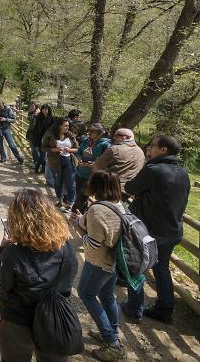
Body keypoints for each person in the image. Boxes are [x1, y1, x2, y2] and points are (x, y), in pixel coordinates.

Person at [0, 188, 78, 362]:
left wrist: (2, 249)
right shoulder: (67, 249)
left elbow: (2, 283)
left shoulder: (13, 253)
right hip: (55, 320)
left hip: (17, 322)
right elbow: (68, 280)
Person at [122, 135, 190, 324]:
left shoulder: (154, 170)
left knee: (135, 266)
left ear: (163, 150)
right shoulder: (183, 172)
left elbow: (130, 187)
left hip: (149, 230)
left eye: (152, 146)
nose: (148, 149)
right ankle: (164, 310)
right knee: (162, 269)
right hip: (172, 230)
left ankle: (134, 308)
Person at [71, 171, 126, 361]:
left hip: (99, 262)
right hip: (114, 261)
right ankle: (112, 332)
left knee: (86, 294)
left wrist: (78, 227)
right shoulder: (119, 205)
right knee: (107, 296)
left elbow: (93, 242)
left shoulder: (96, 209)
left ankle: (112, 343)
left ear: (96, 187)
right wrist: (82, 220)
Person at [42, 118, 78, 213]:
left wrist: (69, 150)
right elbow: (43, 147)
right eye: (65, 125)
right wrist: (53, 149)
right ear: (59, 126)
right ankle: (60, 201)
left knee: (70, 183)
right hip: (55, 162)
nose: (67, 127)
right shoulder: (49, 134)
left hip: (69, 161)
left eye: (68, 125)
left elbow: (77, 148)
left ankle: (69, 204)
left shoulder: (70, 134)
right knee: (58, 182)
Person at [74, 124, 111, 213]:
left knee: (82, 197)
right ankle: (82, 216)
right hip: (79, 173)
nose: (88, 132)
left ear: (99, 133)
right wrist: (79, 159)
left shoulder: (106, 145)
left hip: (92, 176)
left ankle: (75, 214)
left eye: (91, 131)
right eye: (89, 130)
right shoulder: (86, 140)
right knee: (79, 196)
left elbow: (107, 161)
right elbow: (79, 152)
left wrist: (94, 164)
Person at [31, 104, 55, 178]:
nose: (44, 110)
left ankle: (41, 169)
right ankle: (38, 166)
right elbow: (33, 126)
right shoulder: (38, 117)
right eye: (43, 109)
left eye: (46, 109)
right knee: (36, 153)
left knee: (43, 155)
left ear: (48, 110)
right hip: (36, 138)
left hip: (45, 139)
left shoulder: (52, 119)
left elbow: (52, 129)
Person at [26, 103, 40, 169]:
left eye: (32, 106)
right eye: (30, 106)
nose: (31, 107)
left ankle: (37, 164)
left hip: (37, 134)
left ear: (36, 107)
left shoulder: (39, 114)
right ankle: (36, 163)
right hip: (31, 133)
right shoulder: (31, 113)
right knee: (33, 150)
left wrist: (36, 113)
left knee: (35, 150)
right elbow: (29, 119)